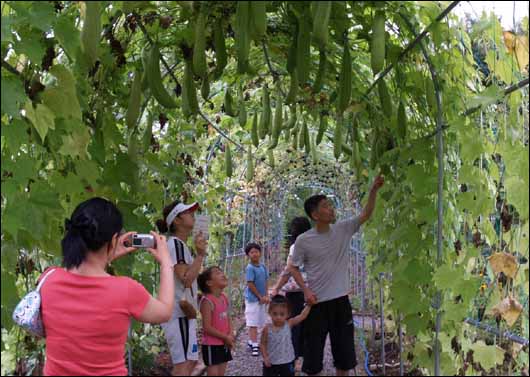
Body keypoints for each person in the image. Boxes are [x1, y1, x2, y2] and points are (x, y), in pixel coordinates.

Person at [39, 197, 175, 376]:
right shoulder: (125, 290)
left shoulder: (48, 279)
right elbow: (164, 311)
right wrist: (166, 262)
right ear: (113, 240)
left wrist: (107, 255)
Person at [289, 175, 385, 376]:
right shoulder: (304, 241)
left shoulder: (343, 229)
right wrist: (305, 290)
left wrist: (374, 190)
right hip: (316, 304)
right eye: (325, 206)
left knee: (344, 357)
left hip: (341, 303)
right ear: (315, 215)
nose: (331, 209)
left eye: (330, 205)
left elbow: (366, 214)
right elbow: (293, 267)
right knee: (313, 358)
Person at [156, 200, 207, 376]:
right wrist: (200, 255)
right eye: (187, 211)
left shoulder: (180, 245)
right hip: (178, 313)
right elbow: (185, 278)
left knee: (190, 361)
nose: (192, 213)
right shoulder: (176, 244)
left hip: (183, 312)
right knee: (184, 364)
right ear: (176, 220)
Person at [270, 216, 311, 372]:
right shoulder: (315, 244)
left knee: (293, 327)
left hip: (295, 292)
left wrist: (276, 288)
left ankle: (292, 360)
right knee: (307, 326)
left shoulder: (296, 246)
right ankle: (305, 358)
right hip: (311, 293)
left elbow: (288, 270)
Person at [260, 295, 312, 376]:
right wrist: (265, 357)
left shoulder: (289, 324)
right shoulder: (267, 329)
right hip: (271, 362)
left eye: (282, 314)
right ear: (269, 312)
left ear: (288, 314)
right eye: (275, 314)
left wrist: (309, 305)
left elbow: (302, 316)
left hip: (288, 361)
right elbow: (262, 344)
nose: (278, 317)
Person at [197, 266, 235, 376]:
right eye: (218, 273)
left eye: (221, 271)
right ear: (209, 283)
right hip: (212, 345)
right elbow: (207, 328)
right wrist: (225, 337)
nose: (222, 274)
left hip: (224, 343)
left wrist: (231, 334)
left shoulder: (223, 297)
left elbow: (228, 317)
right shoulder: (207, 302)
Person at [243, 242, 270, 357]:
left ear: (260, 253)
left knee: (261, 321)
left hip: (262, 299)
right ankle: (254, 344)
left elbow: (266, 281)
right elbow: (250, 283)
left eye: (256, 251)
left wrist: (266, 295)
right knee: (252, 322)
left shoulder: (263, 266)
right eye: (251, 252)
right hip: (253, 300)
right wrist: (260, 296)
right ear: (248, 255)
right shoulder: (250, 268)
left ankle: (251, 342)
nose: (254, 254)